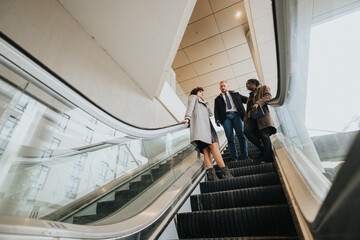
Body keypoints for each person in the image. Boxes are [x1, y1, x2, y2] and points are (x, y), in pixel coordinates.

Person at [181, 87, 233, 181]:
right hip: (202, 128)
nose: (202, 94)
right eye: (200, 92)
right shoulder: (193, 98)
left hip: (205, 128)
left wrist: (206, 103)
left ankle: (212, 175)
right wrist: (187, 118)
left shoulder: (201, 102)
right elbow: (190, 107)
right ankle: (225, 172)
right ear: (195, 92)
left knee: (206, 151)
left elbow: (210, 114)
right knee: (214, 146)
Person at [214, 80, 249, 161]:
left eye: (224, 85)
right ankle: (234, 158)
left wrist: (257, 100)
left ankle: (245, 156)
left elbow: (247, 100)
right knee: (230, 138)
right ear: (219, 88)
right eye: (221, 86)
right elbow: (216, 110)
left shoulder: (235, 94)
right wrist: (217, 120)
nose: (223, 87)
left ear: (227, 86)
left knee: (241, 135)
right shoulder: (217, 99)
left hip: (236, 116)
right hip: (225, 118)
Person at [243, 79, 277, 163]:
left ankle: (267, 157)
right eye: (246, 85)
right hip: (252, 119)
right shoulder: (250, 95)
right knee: (247, 131)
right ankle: (263, 149)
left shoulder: (264, 88)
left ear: (254, 83)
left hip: (262, 116)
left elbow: (268, 96)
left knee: (264, 135)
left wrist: (258, 103)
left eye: (248, 84)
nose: (247, 86)